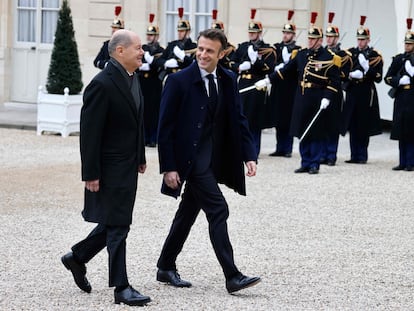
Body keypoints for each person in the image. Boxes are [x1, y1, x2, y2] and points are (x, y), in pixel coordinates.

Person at [156, 28, 261, 294]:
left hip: (215, 159)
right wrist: (168, 166)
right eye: (200, 49)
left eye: (209, 51)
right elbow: (164, 127)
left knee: (187, 213)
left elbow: (239, 119)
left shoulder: (228, 78)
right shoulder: (178, 81)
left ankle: (165, 266)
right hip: (191, 162)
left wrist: (249, 155)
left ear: (222, 54)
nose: (202, 54)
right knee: (218, 210)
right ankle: (232, 276)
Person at [61, 29, 150, 306]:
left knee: (114, 222)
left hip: (127, 165)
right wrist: (91, 173)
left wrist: (140, 156)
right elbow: (90, 133)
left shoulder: (132, 78)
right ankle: (121, 287)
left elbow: (136, 122)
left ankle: (77, 258)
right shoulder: (102, 84)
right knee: (119, 225)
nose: (142, 52)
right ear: (120, 51)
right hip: (109, 168)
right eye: (137, 48)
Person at [255, 12, 341, 174]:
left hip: (317, 97)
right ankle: (305, 161)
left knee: (314, 130)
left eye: (312, 39)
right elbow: (285, 71)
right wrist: (268, 80)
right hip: (301, 96)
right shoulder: (301, 55)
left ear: (320, 40)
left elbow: (334, 81)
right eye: (308, 38)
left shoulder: (329, 57)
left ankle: (314, 163)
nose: (309, 41)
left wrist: (327, 97)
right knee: (302, 130)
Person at [230, 8, 275, 157]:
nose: (251, 35)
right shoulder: (243, 47)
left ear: (260, 33)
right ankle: (241, 148)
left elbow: (269, 68)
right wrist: (239, 67)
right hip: (243, 82)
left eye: (254, 33)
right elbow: (231, 62)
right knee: (241, 116)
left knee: (254, 120)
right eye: (250, 32)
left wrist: (256, 62)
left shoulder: (267, 49)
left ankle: (254, 150)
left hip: (257, 85)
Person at [341, 16, 383, 164]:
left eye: (363, 39)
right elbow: (343, 71)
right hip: (353, 90)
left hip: (365, 91)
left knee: (362, 123)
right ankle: (354, 155)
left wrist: (367, 68)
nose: (360, 42)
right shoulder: (350, 54)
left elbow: (378, 77)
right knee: (352, 123)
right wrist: (351, 74)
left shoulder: (374, 56)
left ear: (368, 40)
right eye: (359, 39)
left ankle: (362, 155)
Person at [265, 10, 300, 158]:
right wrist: (278, 65)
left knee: (288, 118)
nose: (285, 35)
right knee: (278, 118)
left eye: (288, 33)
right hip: (278, 86)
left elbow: (297, 68)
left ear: (293, 35)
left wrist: (287, 63)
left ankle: (287, 148)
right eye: (284, 33)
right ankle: (279, 147)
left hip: (290, 87)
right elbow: (270, 63)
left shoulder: (297, 50)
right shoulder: (277, 48)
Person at [320, 12, 352, 166]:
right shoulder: (322, 53)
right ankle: (321, 154)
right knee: (322, 123)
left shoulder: (343, 55)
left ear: (337, 37)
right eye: (327, 36)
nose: (329, 39)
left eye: (332, 36)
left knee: (333, 124)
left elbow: (344, 75)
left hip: (335, 92)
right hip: (321, 91)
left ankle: (331, 154)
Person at [384, 18, 414, 171]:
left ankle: (411, 162)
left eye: (410, 44)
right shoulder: (399, 59)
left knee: (411, 130)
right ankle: (402, 161)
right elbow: (387, 77)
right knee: (401, 129)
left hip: (413, 97)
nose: (407, 46)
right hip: (401, 96)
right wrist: (398, 81)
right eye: (406, 43)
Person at [138, 13, 164, 147]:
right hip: (143, 82)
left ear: (157, 36)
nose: (149, 37)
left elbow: (161, 65)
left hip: (154, 82)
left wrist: (151, 63)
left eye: (151, 35)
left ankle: (153, 138)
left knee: (154, 111)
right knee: (143, 110)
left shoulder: (161, 50)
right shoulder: (142, 49)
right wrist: (140, 66)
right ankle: (144, 137)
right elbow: (136, 62)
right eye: (148, 35)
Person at [158, 7, 197, 82]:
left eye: (182, 31)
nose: (179, 33)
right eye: (178, 31)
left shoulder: (193, 46)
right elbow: (159, 60)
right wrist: (166, 63)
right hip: (171, 78)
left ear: (188, 32)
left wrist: (183, 57)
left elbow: (195, 64)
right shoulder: (172, 45)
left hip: (186, 78)